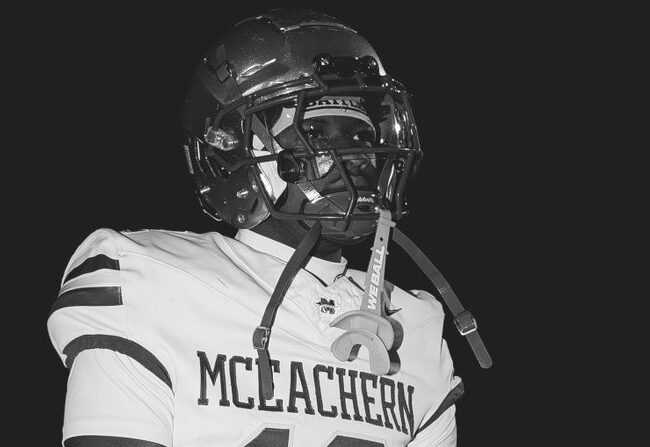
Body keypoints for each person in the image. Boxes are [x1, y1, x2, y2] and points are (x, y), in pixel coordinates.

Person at [47, 9, 491, 447]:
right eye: (317, 131)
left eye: (360, 136)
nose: (357, 156)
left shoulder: (414, 326)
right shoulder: (150, 282)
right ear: (235, 150)